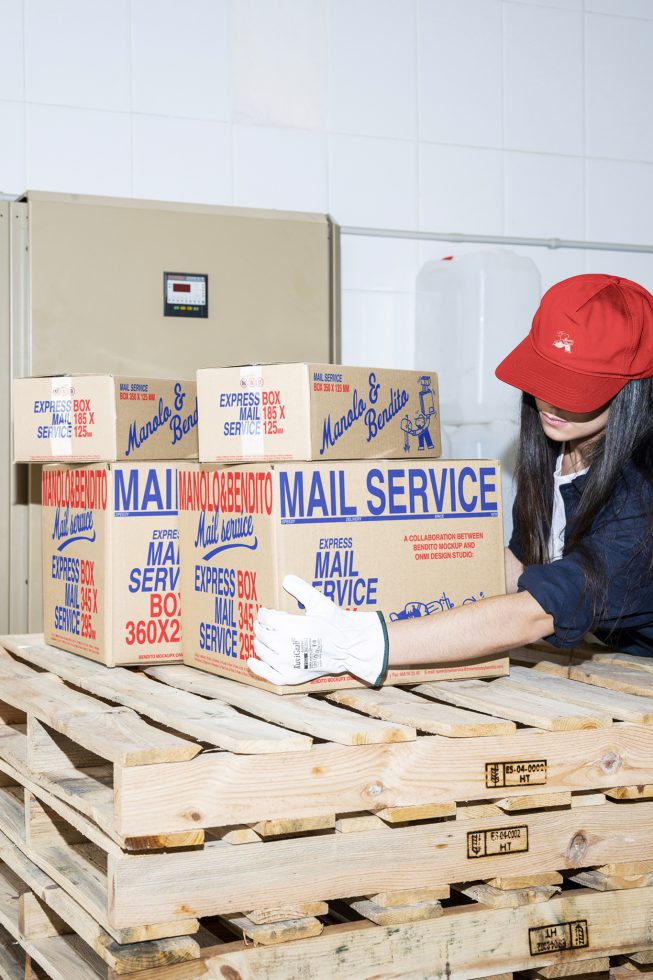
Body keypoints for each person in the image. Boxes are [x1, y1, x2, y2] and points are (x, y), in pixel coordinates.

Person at [249, 274, 653, 687]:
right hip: (604, 656)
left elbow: (538, 611)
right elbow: (518, 565)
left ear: (633, 393)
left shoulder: (641, 500)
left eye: (574, 388)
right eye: (545, 377)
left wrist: (370, 644)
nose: (549, 401)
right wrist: (377, 605)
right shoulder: (556, 451)